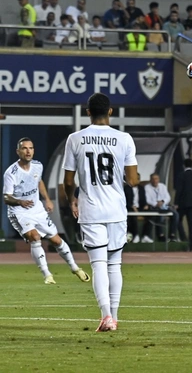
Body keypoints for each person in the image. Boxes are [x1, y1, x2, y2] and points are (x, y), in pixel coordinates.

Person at [62, 93, 138, 332]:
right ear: (111, 112)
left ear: (87, 113)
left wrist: (73, 199)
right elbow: (133, 180)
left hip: (91, 209)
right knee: (115, 265)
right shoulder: (124, 138)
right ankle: (113, 318)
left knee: (98, 264)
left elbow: (68, 180)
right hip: (116, 209)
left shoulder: (75, 139)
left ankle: (106, 316)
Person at [3, 138, 90, 285]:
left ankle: (75, 268)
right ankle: (47, 274)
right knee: (35, 237)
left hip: (37, 209)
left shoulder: (38, 166)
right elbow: (6, 197)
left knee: (56, 240)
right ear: (18, 151)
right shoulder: (11, 172)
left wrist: (47, 199)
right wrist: (19, 201)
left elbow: (39, 181)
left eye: (31, 148)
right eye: (24, 148)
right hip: (19, 211)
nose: (28, 151)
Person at [145, 173, 185, 241]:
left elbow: (168, 197)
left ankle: (172, 235)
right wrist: (156, 204)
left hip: (164, 206)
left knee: (175, 214)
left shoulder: (162, 186)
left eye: (156, 179)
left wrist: (163, 201)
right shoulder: (147, 187)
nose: (155, 180)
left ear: (159, 179)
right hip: (154, 207)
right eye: (153, 179)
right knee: (160, 215)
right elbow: (147, 199)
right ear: (150, 180)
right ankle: (161, 235)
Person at [175, 159, 192, 251]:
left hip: (183, 204)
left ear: (184, 165)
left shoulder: (181, 176)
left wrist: (176, 203)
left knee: (177, 220)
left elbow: (179, 191)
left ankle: (183, 239)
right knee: (191, 225)